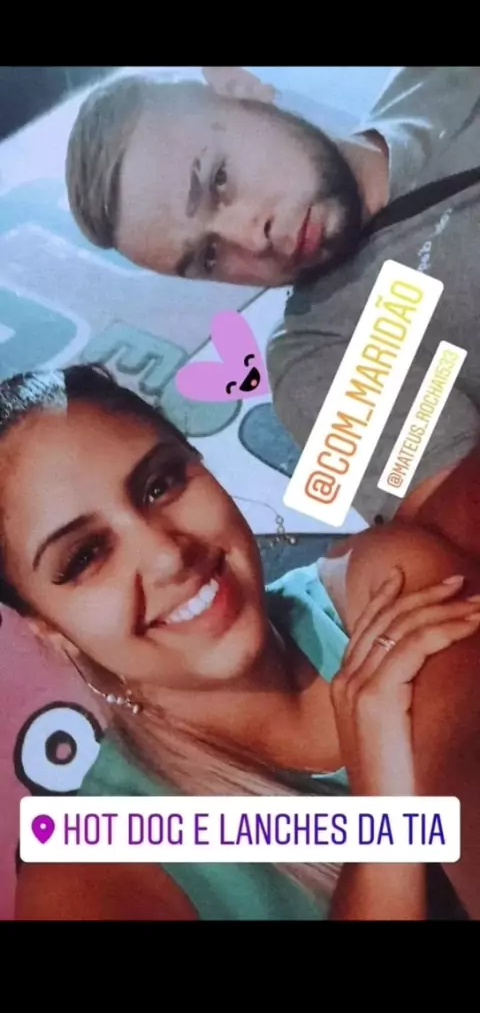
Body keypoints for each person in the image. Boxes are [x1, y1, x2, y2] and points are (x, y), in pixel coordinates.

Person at [2, 365, 480, 921]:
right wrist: (383, 814)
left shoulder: (382, 588)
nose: (168, 555)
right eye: (85, 556)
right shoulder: (84, 873)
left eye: (160, 485)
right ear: (46, 624)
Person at [65, 66, 480, 524]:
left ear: (241, 89)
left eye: (218, 181)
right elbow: (459, 524)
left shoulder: (441, 79)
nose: (251, 238)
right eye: (209, 256)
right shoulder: (322, 357)